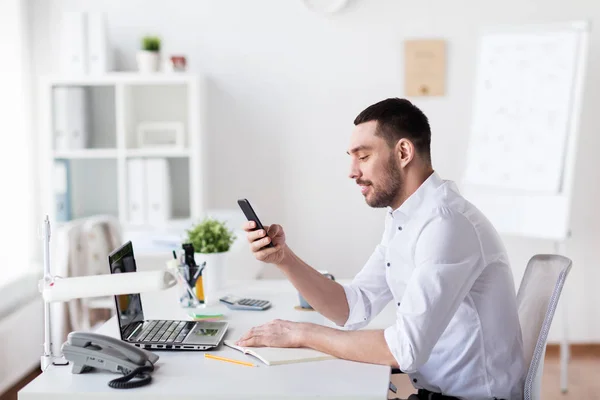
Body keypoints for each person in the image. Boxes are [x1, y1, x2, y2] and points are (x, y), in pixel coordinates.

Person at [237, 98, 525, 400]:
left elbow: (404, 350)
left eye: (362, 157)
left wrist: (301, 334)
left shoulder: (447, 225)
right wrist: (285, 259)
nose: (351, 171)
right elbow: (352, 307)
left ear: (403, 152)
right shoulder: (405, 218)